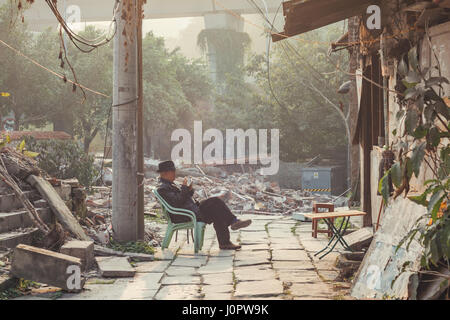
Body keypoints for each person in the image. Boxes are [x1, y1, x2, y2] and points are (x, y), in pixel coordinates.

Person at [156, 160, 251, 250]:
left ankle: (225, 242)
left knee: (217, 209)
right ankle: (233, 223)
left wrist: (189, 190)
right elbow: (177, 202)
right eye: (172, 171)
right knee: (214, 201)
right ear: (165, 173)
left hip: (191, 210)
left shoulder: (170, 185)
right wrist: (184, 188)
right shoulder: (163, 189)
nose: (174, 173)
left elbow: (183, 199)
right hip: (184, 215)